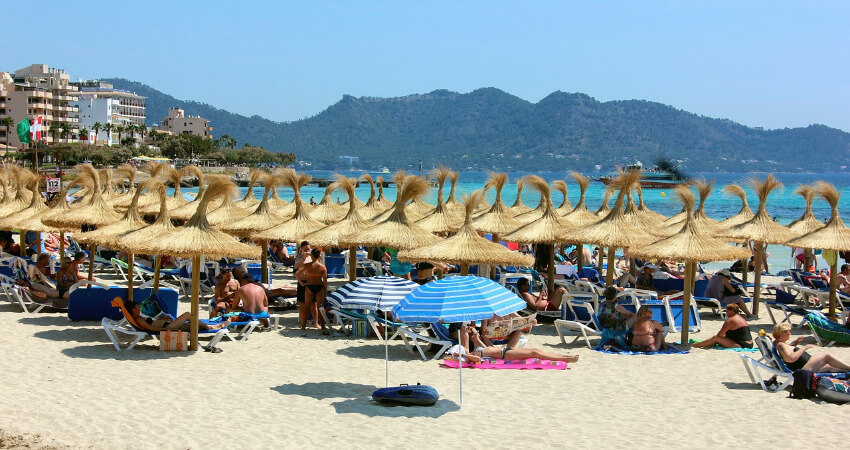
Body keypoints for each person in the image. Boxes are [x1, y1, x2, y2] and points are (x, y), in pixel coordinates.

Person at [461, 324, 579, 363]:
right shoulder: (474, 351)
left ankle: (565, 357)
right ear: (470, 339)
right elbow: (473, 358)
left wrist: (477, 333)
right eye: (473, 334)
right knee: (534, 352)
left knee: (536, 350)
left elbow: (483, 335)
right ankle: (565, 359)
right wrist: (465, 333)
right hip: (505, 355)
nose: (475, 332)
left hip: (507, 350)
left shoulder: (481, 344)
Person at [773, 323, 850, 372]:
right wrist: (804, 348)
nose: (790, 333)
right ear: (782, 334)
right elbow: (790, 358)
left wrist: (796, 343)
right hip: (804, 368)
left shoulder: (780, 343)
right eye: (788, 332)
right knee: (827, 355)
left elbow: (788, 351)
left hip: (806, 364)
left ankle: (847, 372)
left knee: (830, 367)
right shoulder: (781, 345)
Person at [124, 298, 231, 332]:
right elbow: (151, 328)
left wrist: (162, 318)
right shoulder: (138, 319)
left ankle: (215, 326)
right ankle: (211, 326)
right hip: (168, 328)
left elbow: (153, 322)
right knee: (187, 315)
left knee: (191, 326)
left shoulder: (140, 317)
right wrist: (165, 331)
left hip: (168, 324)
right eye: (137, 308)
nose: (139, 309)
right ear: (133, 309)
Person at [296, 248, 328, 334]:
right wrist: (325, 292)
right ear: (319, 256)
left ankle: (303, 326)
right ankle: (323, 326)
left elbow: (297, 274)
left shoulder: (307, 265)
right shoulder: (322, 267)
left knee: (307, 307)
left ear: (312, 256)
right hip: (319, 287)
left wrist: (302, 283)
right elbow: (325, 281)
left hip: (309, 286)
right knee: (320, 308)